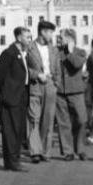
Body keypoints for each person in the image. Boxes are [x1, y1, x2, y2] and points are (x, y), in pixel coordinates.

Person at [0, 27, 31, 171]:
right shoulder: (8, 53)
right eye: (27, 37)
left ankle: (14, 159)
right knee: (11, 131)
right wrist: (4, 96)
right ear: (19, 38)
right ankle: (12, 162)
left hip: (21, 95)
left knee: (18, 130)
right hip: (11, 97)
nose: (29, 40)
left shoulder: (21, 53)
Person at [27, 20, 58, 163]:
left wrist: (55, 84)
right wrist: (36, 74)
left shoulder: (54, 49)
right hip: (35, 85)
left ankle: (45, 152)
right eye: (50, 32)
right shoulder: (29, 48)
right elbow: (24, 68)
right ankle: (35, 152)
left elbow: (57, 69)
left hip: (50, 86)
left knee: (48, 120)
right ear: (42, 32)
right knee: (34, 119)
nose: (52, 35)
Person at [54, 28, 88, 161]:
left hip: (76, 91)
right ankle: (68, 151)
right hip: (60, 92)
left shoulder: (80, 52)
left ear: (70, 39)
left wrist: (70, 51)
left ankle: (79, 148)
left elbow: (76, 64)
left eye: (61, 38)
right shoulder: (56, 52)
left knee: (81, 119)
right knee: (63, 123)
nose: (58, 40)